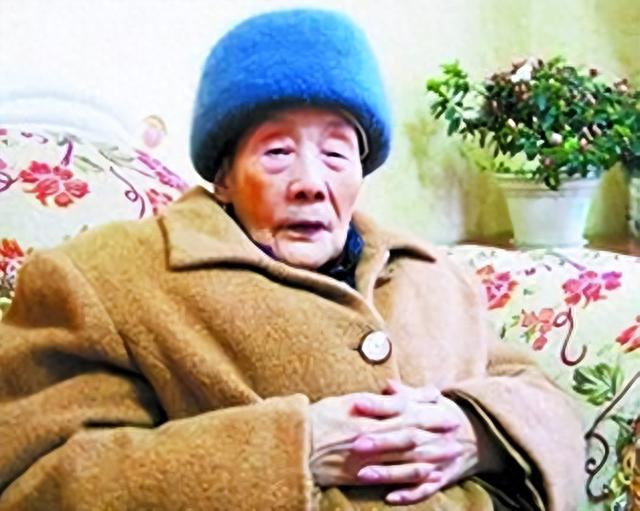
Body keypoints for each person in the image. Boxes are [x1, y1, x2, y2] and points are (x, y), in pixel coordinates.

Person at [0, 8, 584, 510]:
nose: (310, 182)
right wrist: (297, 449)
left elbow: (536, 395)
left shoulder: (430, 274)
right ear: (225, 177)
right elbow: (38, 479)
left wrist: (477, 432)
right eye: (277, 152)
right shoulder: (109, 276)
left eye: (336, 154)